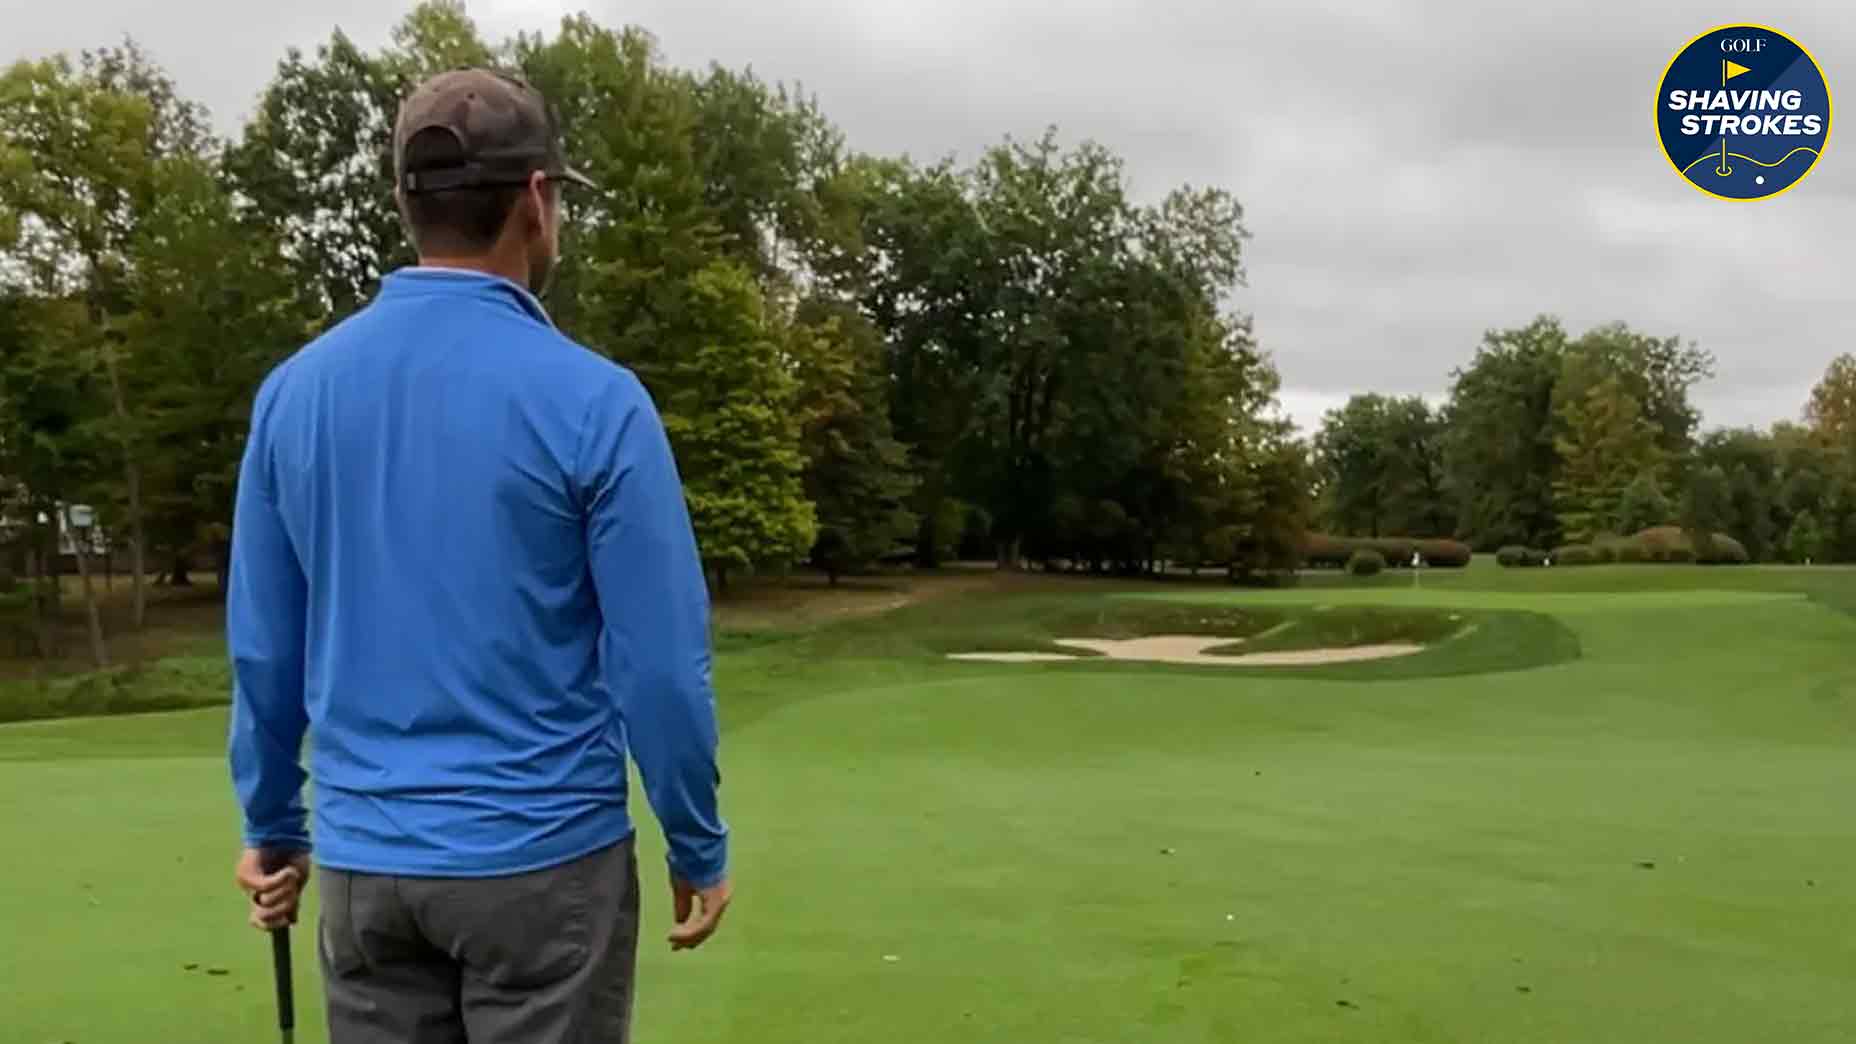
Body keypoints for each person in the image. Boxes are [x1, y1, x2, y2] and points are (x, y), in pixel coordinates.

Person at [226, 68, 731, 1043]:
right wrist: (695, 841)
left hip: (367, 870)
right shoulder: (596, 402)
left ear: (405, 201)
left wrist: (272, 821)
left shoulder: (293, 394)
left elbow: (264, 645)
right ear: (537, 201)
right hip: (543, 868)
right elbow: (659, 665)